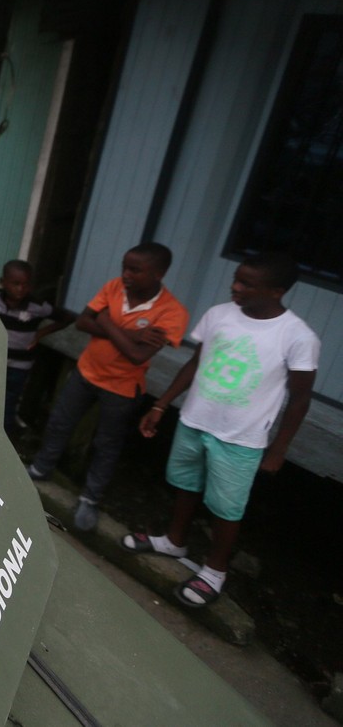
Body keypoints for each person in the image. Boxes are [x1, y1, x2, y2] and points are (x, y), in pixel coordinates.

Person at [122, 253, 319, 608]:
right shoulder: (219, 315)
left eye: (246, 284)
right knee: (185, 483)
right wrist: (160, 404)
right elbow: (197, 363)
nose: (235, 287)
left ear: (276, 291)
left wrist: (278, 450)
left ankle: (214, 570)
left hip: (240, 438)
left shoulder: (297, 336)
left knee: (226, 508)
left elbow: (301, 399)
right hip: (195, 421)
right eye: (236, 279)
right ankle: (174, 540)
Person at [28, 243, 189, 531]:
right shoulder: (114, 287)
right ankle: (41, 468)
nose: (126, 274)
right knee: (60, 422)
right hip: (86, 371)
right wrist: (130, 333)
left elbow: (137, 355)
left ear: (159, 274)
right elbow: (82, 323)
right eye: (125, 267)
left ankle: (90, 498)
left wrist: (105, 321)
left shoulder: (172, 312)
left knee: (107, 444)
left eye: (135, 270)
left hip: (122, 387)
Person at [0, 260, 66, 437]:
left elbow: (66, 318)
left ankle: (4, 438)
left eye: (26, 285)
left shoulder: (37, 306)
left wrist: (41, 333)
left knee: (8, 403)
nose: (21, 289)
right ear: (3, 281)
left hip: (19, 367)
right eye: (15, 284)